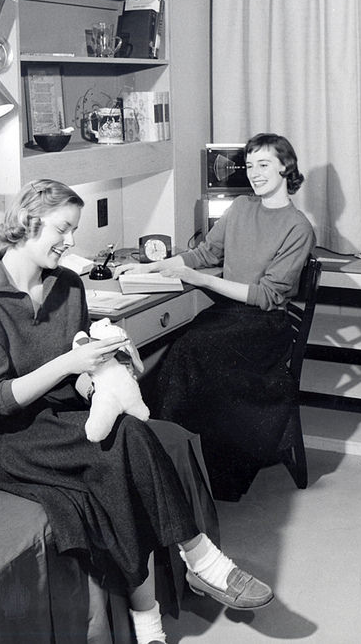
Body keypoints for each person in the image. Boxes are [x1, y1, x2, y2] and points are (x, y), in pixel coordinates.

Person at [0, 179, 273, 644]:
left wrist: (106, 365)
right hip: (7, 439)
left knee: (124, 445)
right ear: (27, 221)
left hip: (59, 418)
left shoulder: (67, 285)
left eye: (74, 230)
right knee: (125, 447)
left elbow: (79, 377)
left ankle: (153, 621)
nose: (72, 242)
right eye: (63, 228)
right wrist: (69, 364)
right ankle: (199, 564)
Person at [117, 133, 316, 501]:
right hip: (231, 315)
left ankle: (170, 466)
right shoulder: (240, 208)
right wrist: (150, 268)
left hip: (265, 326)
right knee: (179, 350)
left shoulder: (298, 227)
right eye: (250, 165)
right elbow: (205, 253)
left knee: (189, 351)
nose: (254, 174)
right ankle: (159, 458)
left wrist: (198, 279)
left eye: (264, 165)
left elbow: (267, 296)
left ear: (286, 167)